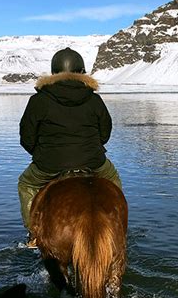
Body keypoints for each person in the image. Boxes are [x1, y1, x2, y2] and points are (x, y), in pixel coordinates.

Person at [18, 47, 122, 246]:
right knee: (112, 178)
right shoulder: (93, 99)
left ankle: (34, 234)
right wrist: (92, 148)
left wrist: (41, 154)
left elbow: (27, 137)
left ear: (54, 72)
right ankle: (116, 225)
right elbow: (105, 132)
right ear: (81, 72)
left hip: (49, 164)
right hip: (93, 160)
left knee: (26, 184)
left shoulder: (38, 100)